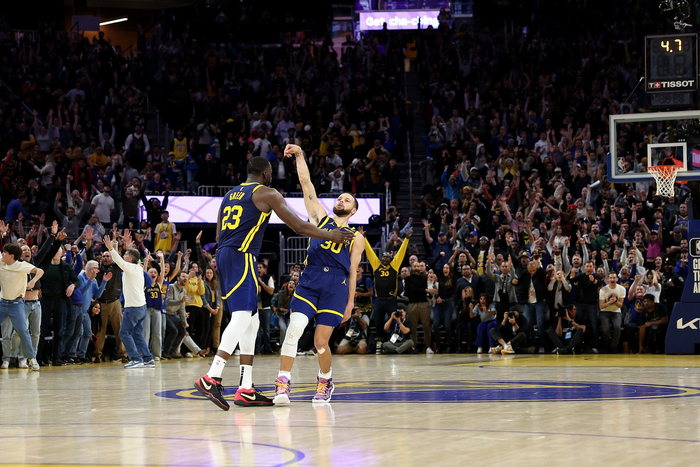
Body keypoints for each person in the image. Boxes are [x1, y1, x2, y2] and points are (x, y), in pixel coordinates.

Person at [194, 156, 354, 411]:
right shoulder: (267, 193)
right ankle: (212, 376)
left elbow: (218, 234)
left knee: (252, 320)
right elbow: (298, 226)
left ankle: (246, 388)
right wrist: (330, 235)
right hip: (242, 255)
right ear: (266, 174)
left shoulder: (229, 195)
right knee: (242, 317)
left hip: (224, 255)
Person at [272, 144, 364, 405]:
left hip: (336, 286)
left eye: (347, 200)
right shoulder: (320, 219)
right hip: (310, 279)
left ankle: (325, 380)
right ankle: (282, 382)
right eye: (339, 198)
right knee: (294, 329)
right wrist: (300, 154)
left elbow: (353, 272)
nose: (341, 201)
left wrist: (350, 303)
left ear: (353, 211)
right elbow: (306, 183)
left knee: (321, 342)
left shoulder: (356, 237)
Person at [103, 232, 155, 368]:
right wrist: (127, 245)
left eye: (126, 254)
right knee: (137, 334)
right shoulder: (137, 268)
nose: (123, 255)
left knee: (124, 333)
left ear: (130, 259)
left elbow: (119, 261)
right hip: (141, 307)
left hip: (133, 307)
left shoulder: (131, 268)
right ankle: (148, 358)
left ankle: (136, 359)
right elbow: (123, 260)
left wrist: (110, 248)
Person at [364, 230, 410, 353]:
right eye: (383, 257)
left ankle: (393, 341)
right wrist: (364, 238)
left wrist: (406, 239)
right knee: (378, 322)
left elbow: (401, 253)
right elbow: (369, 252)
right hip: (379, 300)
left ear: (390, 258)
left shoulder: (394, 266)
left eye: (387, 257)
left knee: (394, 320)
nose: (385, 258)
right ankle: (379, 343)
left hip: (391, 300)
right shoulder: (376, 265)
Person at [0, 243, 44, 371]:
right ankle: (6, 358)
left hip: (16, 304)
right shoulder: (1, 263)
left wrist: (33, 281)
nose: (2, 254)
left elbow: (40, 271)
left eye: (5, 252)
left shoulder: (22, 265)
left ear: (12, 256)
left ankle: (31, 358)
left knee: (23, 331)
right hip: (2, 303)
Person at [598, 271, 626, 353]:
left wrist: (615, 301)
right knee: (606, 329)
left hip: (616, 311)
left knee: (617, 327)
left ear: (617, 279)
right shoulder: (603, 289)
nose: (612, 279)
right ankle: (607, 347)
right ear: (608, 279)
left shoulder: (621, 289)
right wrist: (610, 302)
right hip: (604, 312)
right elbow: (601, 306)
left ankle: (614, 347)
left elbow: (620, 305)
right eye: (611, 278)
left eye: (614, 278)